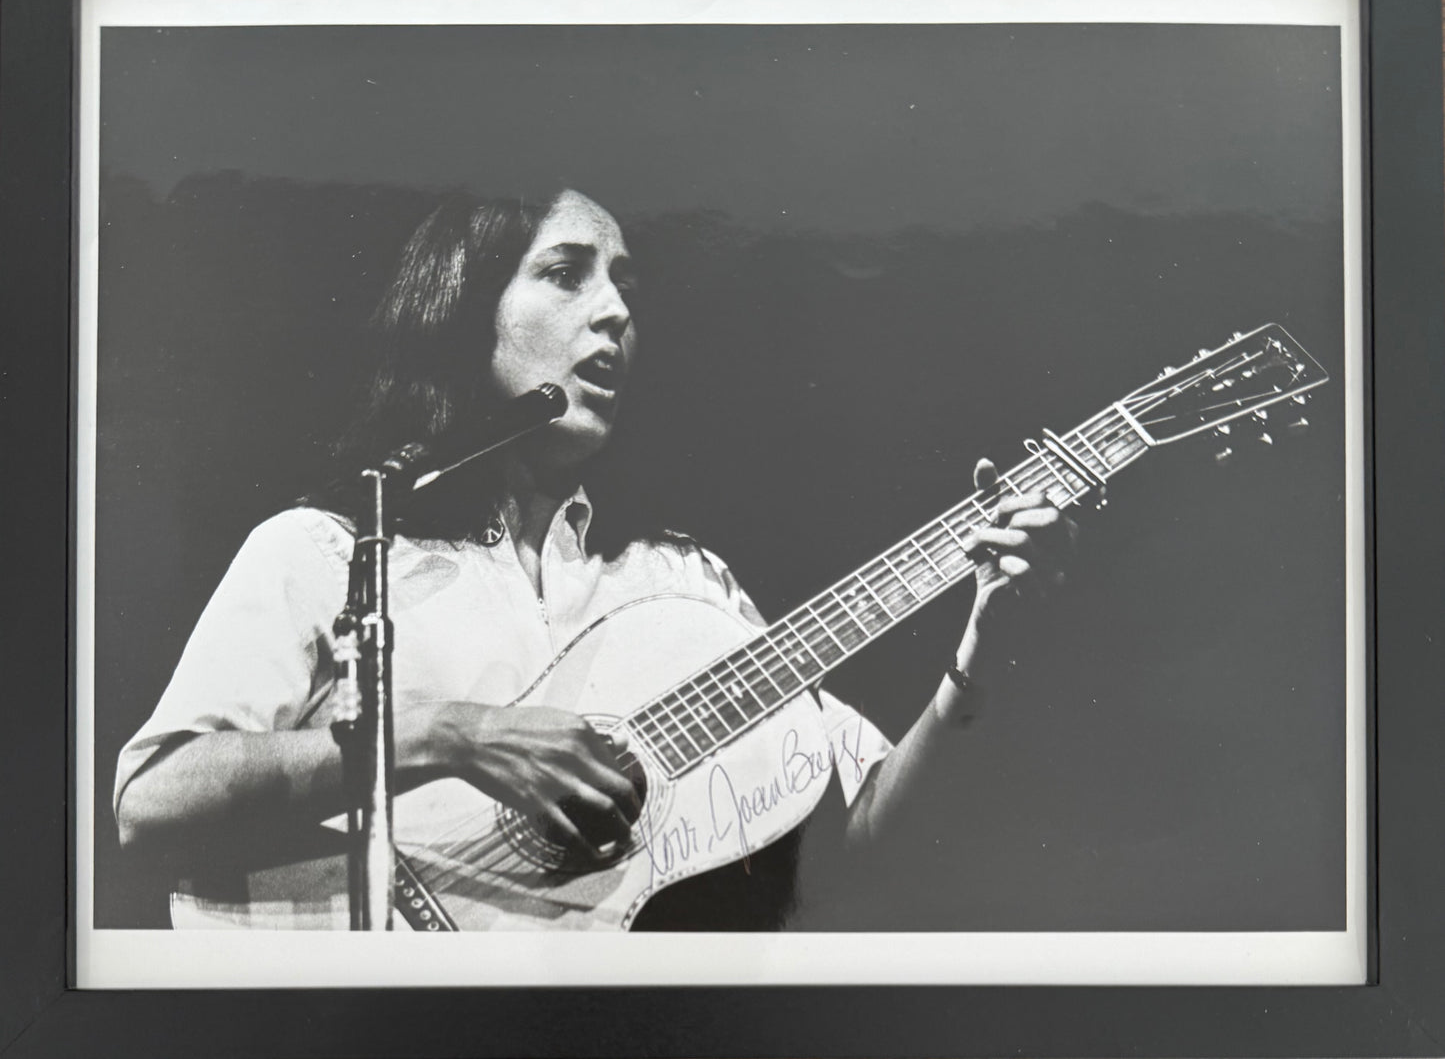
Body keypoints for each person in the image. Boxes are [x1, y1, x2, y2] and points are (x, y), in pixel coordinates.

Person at [114, 188, 1076, 929]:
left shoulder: (681, 586)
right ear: (463, 306)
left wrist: (982, 654)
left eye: (625, 287)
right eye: (567, 273)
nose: (614, 310)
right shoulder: (325, 550)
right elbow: (149, 800)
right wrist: (447, 736)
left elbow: (851, 846)